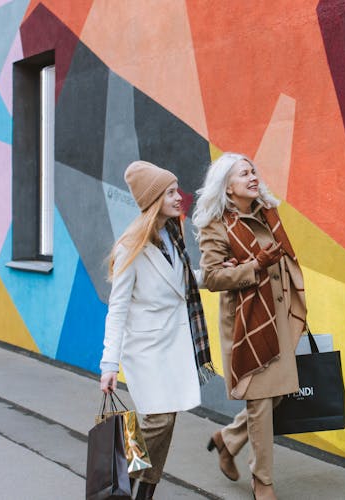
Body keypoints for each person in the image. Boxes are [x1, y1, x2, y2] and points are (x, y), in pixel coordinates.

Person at [193, 152, 306, 500]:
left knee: (278, 395)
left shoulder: (267, 214)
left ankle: (227, 440)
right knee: (260, 402)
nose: (253, 177)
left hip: (278, 317)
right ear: (227, 187)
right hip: (249, 325)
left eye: (253, 171)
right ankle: (263, 482)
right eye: (244, 174)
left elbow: (284, 261)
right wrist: (253, 266)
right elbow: (211, 277)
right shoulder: (216, 226)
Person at [99, 160, 215, 500]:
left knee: (167, 424)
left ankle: (144, 493)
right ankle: (117, 480)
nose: (179, 197)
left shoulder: (171, 235)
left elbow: (182, 281)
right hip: (147, 351)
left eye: (176, 190)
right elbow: (117, 309)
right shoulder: (130, 247)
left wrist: (219, 275)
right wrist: (109, 364)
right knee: (158, 421)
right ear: (153, 200)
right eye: (169, 192)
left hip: (174, 346)